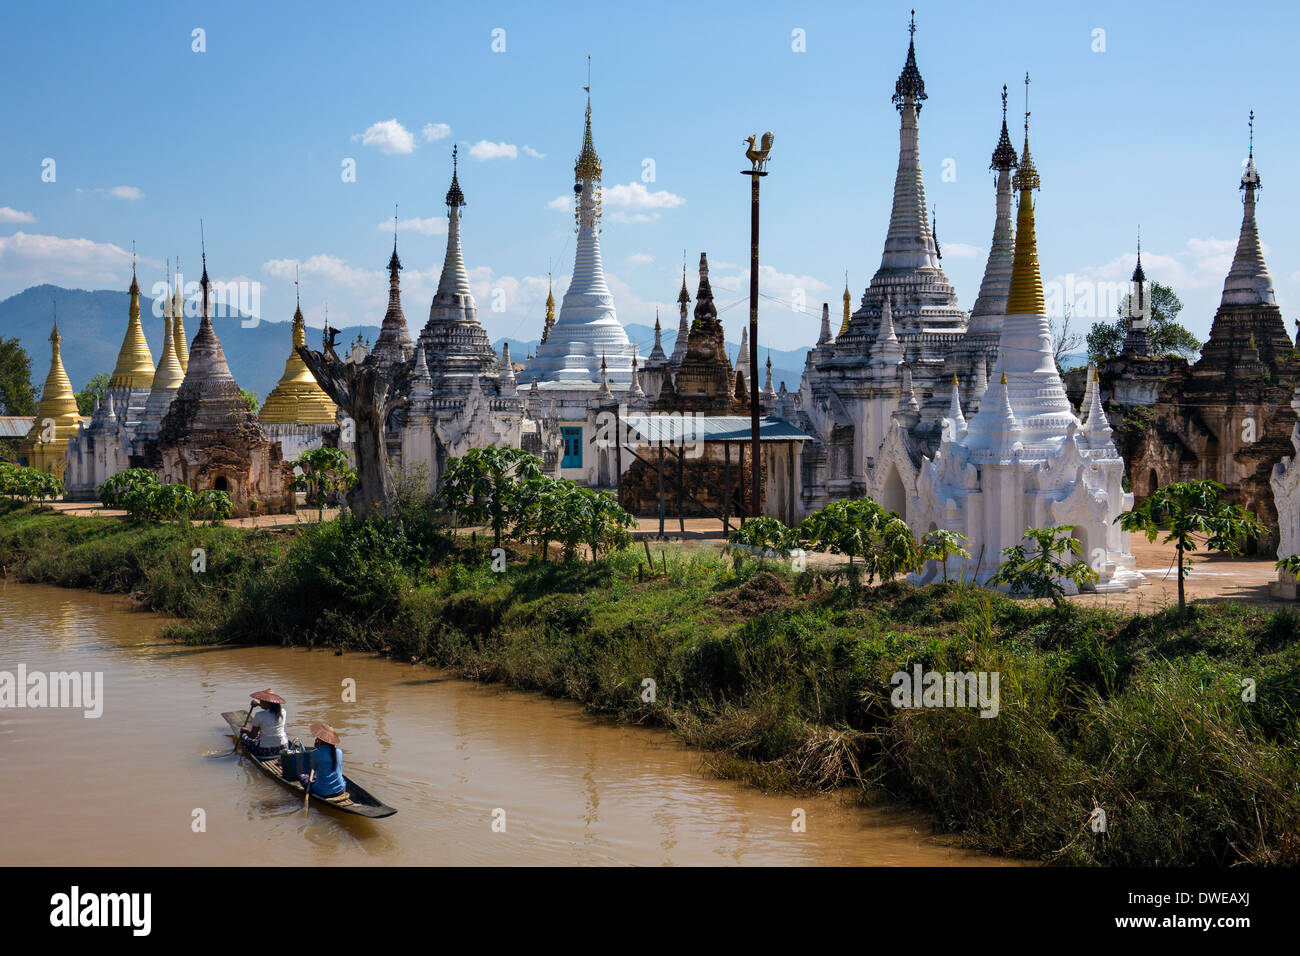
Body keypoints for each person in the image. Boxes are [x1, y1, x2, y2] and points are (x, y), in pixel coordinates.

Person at [301, 722, 345, 798]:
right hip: (341, 789)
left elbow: (313, 768)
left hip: (322, 792)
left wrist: (317, 748)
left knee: (302, 777)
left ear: (319, 739)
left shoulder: (316, 753)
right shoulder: (339, 752)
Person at [240, 689, 288, 758]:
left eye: (261, 701)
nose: (260, 702)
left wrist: (245, 731)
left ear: (268, 703)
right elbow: (271, 708)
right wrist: (259, 704)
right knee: (283, 734)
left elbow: (252, 736)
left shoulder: (259, 715)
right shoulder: (283, 712)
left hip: (265, 752)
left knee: (244, 738)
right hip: (283, 749)